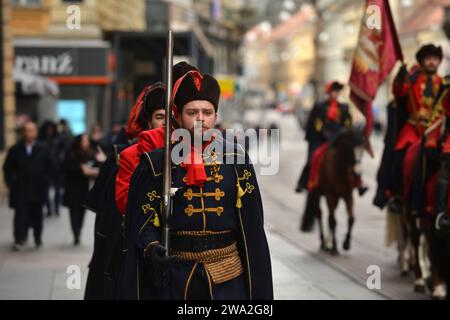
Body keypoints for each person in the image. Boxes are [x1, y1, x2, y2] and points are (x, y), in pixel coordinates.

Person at [118, 62, 273, 300]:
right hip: (175, 279)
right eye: (192, 112)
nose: (201, 119)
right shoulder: (156, 163)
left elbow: (252, 225)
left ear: (216, 116)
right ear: (177, 116)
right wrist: (151, 247)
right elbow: (142, 220)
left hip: (228, 279)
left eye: (207, 112)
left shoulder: (236, 159)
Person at [84, 82, 166, 300]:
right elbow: (121, 206)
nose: (166, 124)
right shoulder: (126, 155)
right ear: (148, 121)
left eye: (171, 117)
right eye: (160, 116)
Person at [388, 44, 443, 214]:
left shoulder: (443, 83)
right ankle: (398, 195)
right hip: (413, 128)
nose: (432, 62)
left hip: (435, 129)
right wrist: (400, 78)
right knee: (400, 156)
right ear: (421, 61)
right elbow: (398, 92)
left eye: (435, 59)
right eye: (428, 59)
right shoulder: (411, 81)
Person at [295, 81, 366, 195]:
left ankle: (358, 182)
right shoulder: (319, 106)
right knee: (314, 157)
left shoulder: (344, 107)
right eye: (334, 91)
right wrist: (322, 133)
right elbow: (315, 124)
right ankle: (304, 182)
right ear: (329, 92)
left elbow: (348, 123)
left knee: (353, 158)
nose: (336, 93)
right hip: (322, 138)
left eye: (338, 91)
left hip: (339, 137)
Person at [3, 121, 54, 251]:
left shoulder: (44, 148)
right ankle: (19, 238)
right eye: (26, 130)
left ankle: (37, 237)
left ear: (36, 132)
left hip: (38, 189)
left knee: (37, 215)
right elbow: (8, 168)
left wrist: (45, 180)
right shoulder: (15, 149)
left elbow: (51, 167)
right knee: (20, 215)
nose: (29, 133)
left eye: (32, 130)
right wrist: (12, 182)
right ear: (23, 133)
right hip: (20, 189)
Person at [63, 134, 105, 245]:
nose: (86, 143)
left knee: (82, 211)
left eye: (87, 140)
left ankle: (78, 231)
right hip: (72, 187)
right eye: (84, 140)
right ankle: (76, 232)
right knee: (74, 211)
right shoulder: (71, 153)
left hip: (84, 188)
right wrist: (83, 169)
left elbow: (98, 166)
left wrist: (101, 160)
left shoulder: (90, 153)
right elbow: (69, 168)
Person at [38, 120, 65, 217]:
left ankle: (57, 208)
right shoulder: (41, 139)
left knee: (58, 190)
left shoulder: (59, 138)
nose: (49, 130)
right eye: (47, 129)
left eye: (51, 128)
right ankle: (49, 208)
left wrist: (60, 160)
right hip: (46, 168)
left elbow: (63, 150)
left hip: (57, 167)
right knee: (45, 190)